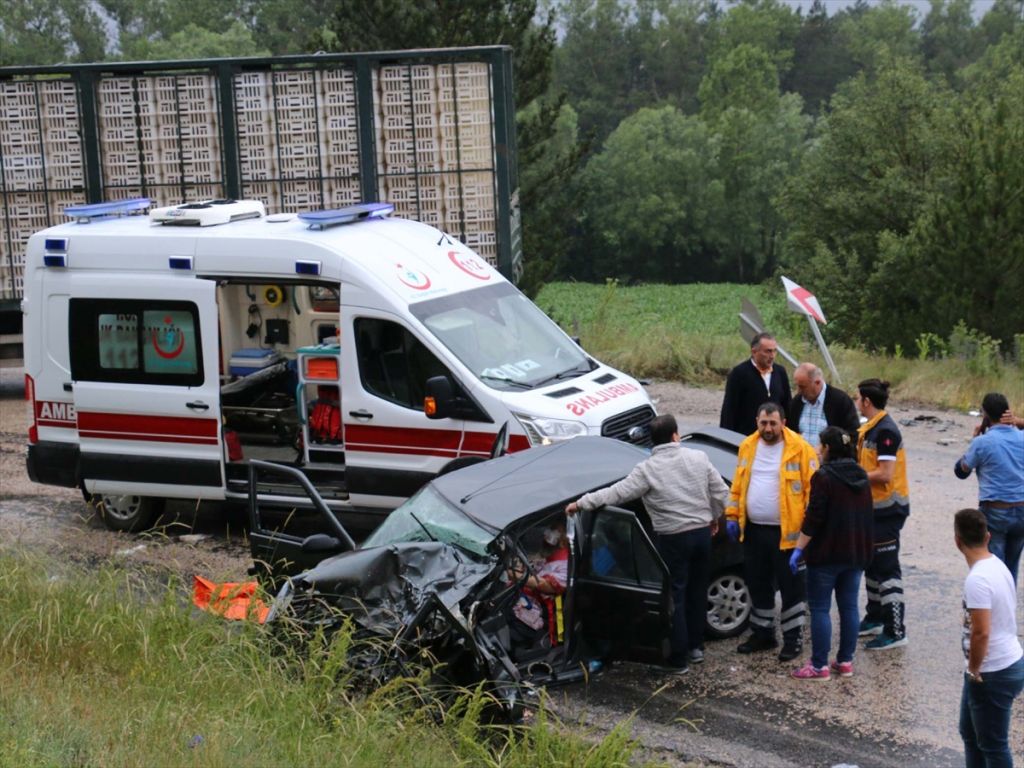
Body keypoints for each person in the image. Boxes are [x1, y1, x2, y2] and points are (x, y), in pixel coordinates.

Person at [566, 414, 729, 675]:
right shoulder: (699, 458)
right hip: (701, 535)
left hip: (673, 538)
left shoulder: (647, 470)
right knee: (697, 590)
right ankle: (696, 647)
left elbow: (616, 493)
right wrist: (713, 516)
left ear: (653, 441)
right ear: (675, 435)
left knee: (676, 595)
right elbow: (721, 493)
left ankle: (679, 659)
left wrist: (581, 503)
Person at [725, 402, 818, 661]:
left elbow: (813, 494)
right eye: (763, 423)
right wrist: (732, 516)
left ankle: (793, 638)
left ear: (783, 423)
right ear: (757, 421)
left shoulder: (800, 449)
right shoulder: (748, 445)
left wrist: (807, 536)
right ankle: (763, 634)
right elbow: (738, 486)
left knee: (792, 588)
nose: (768, 428)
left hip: (787, 535)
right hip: (754, 531)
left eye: (773, 424)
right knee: (758, 583)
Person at [788, 426, 874, 681]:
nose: (817, 450)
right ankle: (845, 661)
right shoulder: (861, 475)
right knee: (849, 607)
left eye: (820, 445)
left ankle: (819, 665)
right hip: (855, 554)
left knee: (820, 608)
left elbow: (814, 517)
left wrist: (799, 548)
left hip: (826, 554)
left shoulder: (824, 477)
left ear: (827, 448)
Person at [954, 507, 1024, 768]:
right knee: (970, 734)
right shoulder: (997, 565)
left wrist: (974, 670)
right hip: (999, 664)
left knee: (994, 746)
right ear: (988, 536)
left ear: (957, 541)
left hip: (991, 671)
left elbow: (981, 632)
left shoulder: (978, 579)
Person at [855, 378, 911, 651]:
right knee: (872, 564)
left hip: (888, 511)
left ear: (866, 401)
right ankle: (875, 617)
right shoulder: (870, 428)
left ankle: (895, 630)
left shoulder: (885, 431)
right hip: (872, 510)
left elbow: (885, 473)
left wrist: (855, 476)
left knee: (887, 569)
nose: (856, 402)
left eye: (858, 398)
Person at [955, 393, 1024, 585]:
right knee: (1011, 566)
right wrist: (1019, 422)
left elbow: (961, 471)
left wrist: (974, 442)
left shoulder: (982, 442)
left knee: (994, 566)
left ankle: (993, 601)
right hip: (1022, 508)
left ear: (985, 414)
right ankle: (1008, 600)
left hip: (996, 510)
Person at [507, 521, 570, 650]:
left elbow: (544, 584)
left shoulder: (566, 564)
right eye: (551, 528)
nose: (548, 532)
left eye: (556, 530)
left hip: (532, 616)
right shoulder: (549, 554)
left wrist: (512, 574)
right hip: (516, 598)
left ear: (566, 537)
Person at [720, 332, 792, 437]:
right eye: (768, 351)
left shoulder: (780, 372)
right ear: (754, 352)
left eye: (774, 351)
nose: (772, 356)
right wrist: (725, 437)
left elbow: (787, 405)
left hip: (774, 437)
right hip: (746, 437)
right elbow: (729, 409)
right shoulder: (739, 373)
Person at [786, 362, 860, 448]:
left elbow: (852, 434)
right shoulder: (797, 402)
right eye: (797, 386)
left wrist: (830, 448)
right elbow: (789, 432)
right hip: (801, 455)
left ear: (817, 382)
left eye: (802, 387)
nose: (799, 391)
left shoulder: (840, 401)